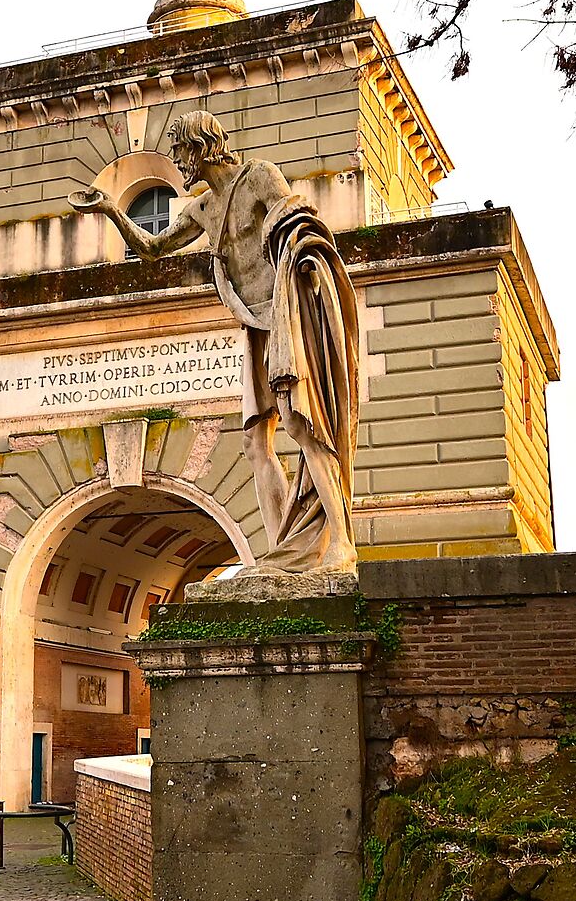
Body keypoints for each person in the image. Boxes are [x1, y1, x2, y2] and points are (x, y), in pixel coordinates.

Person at [71, 107, 360, 572]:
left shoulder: (259, 177)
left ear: (201, 146)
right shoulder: (203, 208)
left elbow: (295, 220)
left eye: (180, 151)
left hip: (287, 313)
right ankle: (282, 553)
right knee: (254, 443)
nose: (177, 161)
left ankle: (341, 544)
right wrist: (110, 209)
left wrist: (301, 251)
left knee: (304, 426)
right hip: (254, 325)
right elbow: (152, 248)